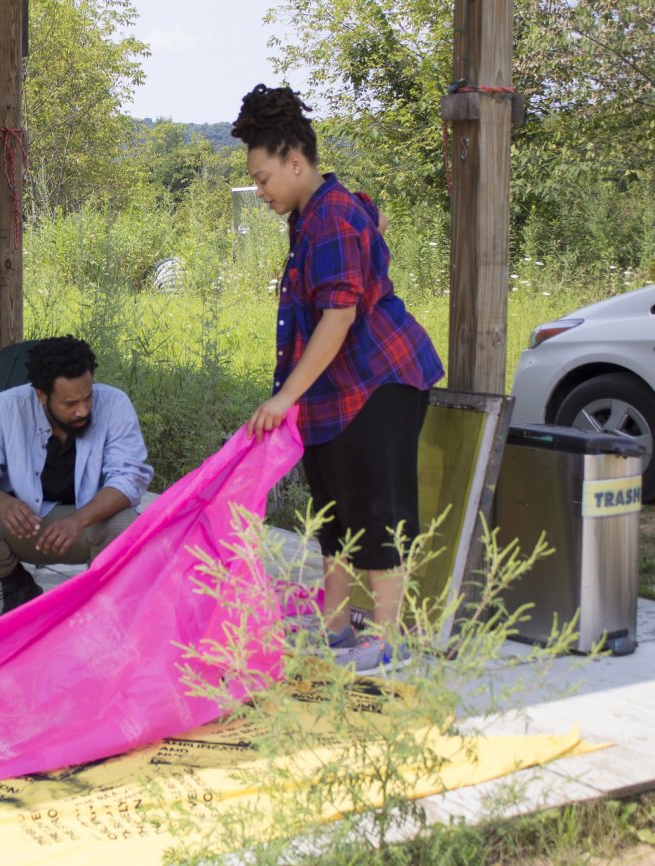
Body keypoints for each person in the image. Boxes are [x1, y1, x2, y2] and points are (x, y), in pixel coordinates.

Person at [232, 84, 445, 671]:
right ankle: (334, 628)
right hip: (334, 393)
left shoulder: (334, 216)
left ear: (295, 162)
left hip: (378, 385)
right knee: (334, 510)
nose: (260, 191)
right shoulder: (307, 216)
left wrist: (284, 398)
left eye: (264, 177)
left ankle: (386, 635)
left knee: (378, 510)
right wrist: (295, 396)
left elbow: (340, 315)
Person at [0, 337, 154, 616]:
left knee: (126, 524)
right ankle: (18, 587)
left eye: (87, 397)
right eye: (69, 402)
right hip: (26, 525)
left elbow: (129, 478)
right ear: (41, 395)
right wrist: (2, 503)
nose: (82, 409)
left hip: (87, 525)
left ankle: (100, 598)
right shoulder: (3, 409)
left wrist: (79, 520)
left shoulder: (115, 404)